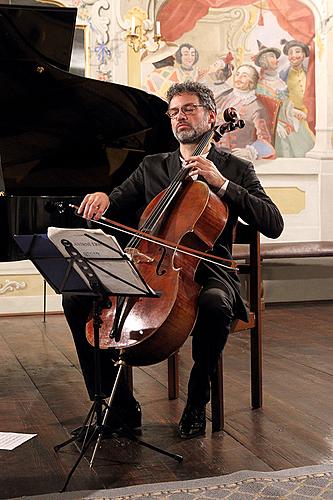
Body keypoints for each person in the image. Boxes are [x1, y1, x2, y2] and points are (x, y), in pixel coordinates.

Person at [63, 81, 284, 439]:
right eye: (174, 112)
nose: (179, 117)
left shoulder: (235, 169)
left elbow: (273, 223)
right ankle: (117, 407)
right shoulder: (153, 166)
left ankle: (197, 400)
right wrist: (104, 197)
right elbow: (116, 201)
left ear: (212, 116)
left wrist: (222, 184)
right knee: (75, 298)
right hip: (150, 265)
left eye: (189, 109)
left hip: (209, 269)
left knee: (214, 304)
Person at [215, 64, 275, 161]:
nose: (239, 78)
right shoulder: (223, 97)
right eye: (237, 74)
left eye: (244, 76)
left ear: (252, 81)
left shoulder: (257, 107)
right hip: (214, 153)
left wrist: (249, 152)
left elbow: (265, 139)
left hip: (237, 158)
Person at [276, 39, 315, 157]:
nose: (294, 56)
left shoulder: (310, 73)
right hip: (293, 117)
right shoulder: (282, 75)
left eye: (297, 52)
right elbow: (279, 100)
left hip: (311, 116)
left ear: (304, 55)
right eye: (290, 53)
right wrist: (292, 111)